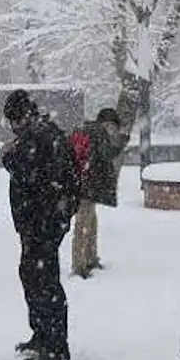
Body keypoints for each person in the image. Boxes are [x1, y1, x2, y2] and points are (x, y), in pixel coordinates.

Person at [2, 89, 80, 360]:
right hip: (39, 221)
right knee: (32, 276)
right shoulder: (41, 135)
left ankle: (56, 344)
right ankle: (42, 334)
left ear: (26, 115)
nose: (13, 126)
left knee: (45, 281)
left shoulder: (42, 137)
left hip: (43, 222)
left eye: (15, 119)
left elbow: (32, 174)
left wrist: (9, 157)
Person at [69, 108, 126, 279]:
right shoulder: (98, 132)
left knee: (90, 222)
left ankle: (90, 257)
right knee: (84, 224)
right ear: (108, 123)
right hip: (88, 186)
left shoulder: (88, 130)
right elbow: (107, 154)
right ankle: (79, 264)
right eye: (113, 127)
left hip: (83, 183)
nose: (114, 131)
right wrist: (121, 140)